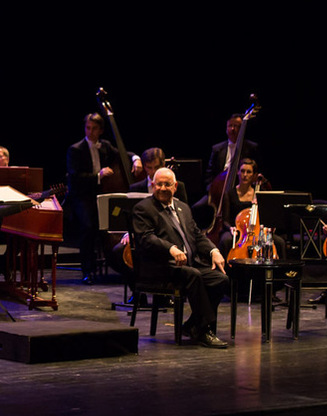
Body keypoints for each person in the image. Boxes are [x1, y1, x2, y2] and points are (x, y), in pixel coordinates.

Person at [132, 167, 229, 348]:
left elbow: (197, 235)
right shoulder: (143, 208)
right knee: (194, 276)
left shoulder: (183, 207)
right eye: (158, 184)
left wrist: (213, 251)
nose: (162, 188)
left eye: (167, 184)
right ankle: (204, 329)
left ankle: (193, 325)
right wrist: (171, 248)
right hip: (160, 267)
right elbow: (146, 238)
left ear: (175, 186)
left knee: (220, 279)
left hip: (188, 264)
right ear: (152, 185)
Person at [66, 113, 142, 280]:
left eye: (94, 129)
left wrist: (136, 159)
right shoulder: (75, 149)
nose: (90, 132)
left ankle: (117, 263)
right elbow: (75, 178)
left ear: (100, 130)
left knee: (113, 223)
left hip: (103, 194)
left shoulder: (105, 146)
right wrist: (98, 176)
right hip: (82, 196)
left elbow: (124, 153)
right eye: (88, 128)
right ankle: (88, 270)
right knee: (88, 226)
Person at [204, 113, 261, 187]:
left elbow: (256, 172)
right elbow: (209, 174)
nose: (232, 129)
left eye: (236, 126)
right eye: (230, 126)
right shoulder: (217, 149)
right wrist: (211, 190)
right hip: (219, 188)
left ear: (242, 129)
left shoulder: (251, 147)